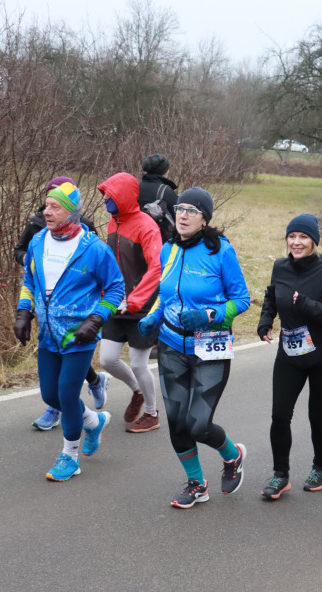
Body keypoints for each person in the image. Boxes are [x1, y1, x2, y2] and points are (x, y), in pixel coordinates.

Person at [137, 187, 251, 508]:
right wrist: (154, 316)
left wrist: (209, 314)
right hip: (172, 344)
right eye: (180, 208)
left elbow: (241, 300)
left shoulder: (221, 252)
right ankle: (197, 484)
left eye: (192, 210)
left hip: (210, 345)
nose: (183, 214)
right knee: (176, 423)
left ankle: (232, 455)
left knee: (198, 425)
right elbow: (166, 293)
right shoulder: (168, 249)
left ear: (204, 220)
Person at [14, 181, 125, 481]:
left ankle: (70, 457)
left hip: (79, 335)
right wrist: (24, 311)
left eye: (55, 207)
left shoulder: (93, 249)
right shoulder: (38, 241)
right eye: (46, 205)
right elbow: (30, 281)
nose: (46, 211)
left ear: (72, 213)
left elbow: (115, 288)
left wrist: (96, 319)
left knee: (66, 392)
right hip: (49, 334)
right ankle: (93, 420)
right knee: (51, 396)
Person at [257, 214, 322, 499]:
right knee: (279, 415)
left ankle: (320, 467)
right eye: (292, 236)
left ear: (313, 241)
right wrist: (265, 320)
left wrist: (309, 306)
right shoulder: (280, 267)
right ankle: (280, 474)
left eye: (303, 237)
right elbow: (272, 296)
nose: (296, 242)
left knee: (317, 416)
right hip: (290, 353)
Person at [97, 172, 163, 433]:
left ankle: (151, 413)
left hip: (142, 307)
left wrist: (135, 300)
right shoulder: (113, 223)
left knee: (138, 363)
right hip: (116, 303)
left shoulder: (146, 226)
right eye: (104, 197)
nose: (105, 202)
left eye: (110, 197)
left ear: (123, 197)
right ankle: (137, 391)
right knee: (108, 360)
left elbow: (157, 268)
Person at [137, 153, 179, 244]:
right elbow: (178, 222)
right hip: (158, 245)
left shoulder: (135, 188)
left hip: (135, 242)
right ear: (165, 171)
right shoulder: (166, 192)